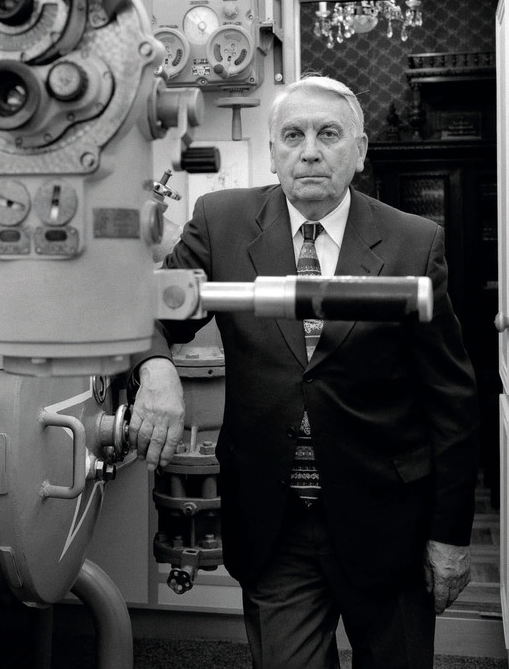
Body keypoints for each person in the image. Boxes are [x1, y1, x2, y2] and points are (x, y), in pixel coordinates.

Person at [128, 75, 480, 668]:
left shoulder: (414, 242)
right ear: (273, 153)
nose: (309, 151)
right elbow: (147, 313)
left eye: (328, 134)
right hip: (275, 521)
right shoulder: (221, 222)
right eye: (293, 135)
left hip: (387, 519)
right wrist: (157, 367)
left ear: (359, 151)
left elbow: (452, 400)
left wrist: (449, 535)